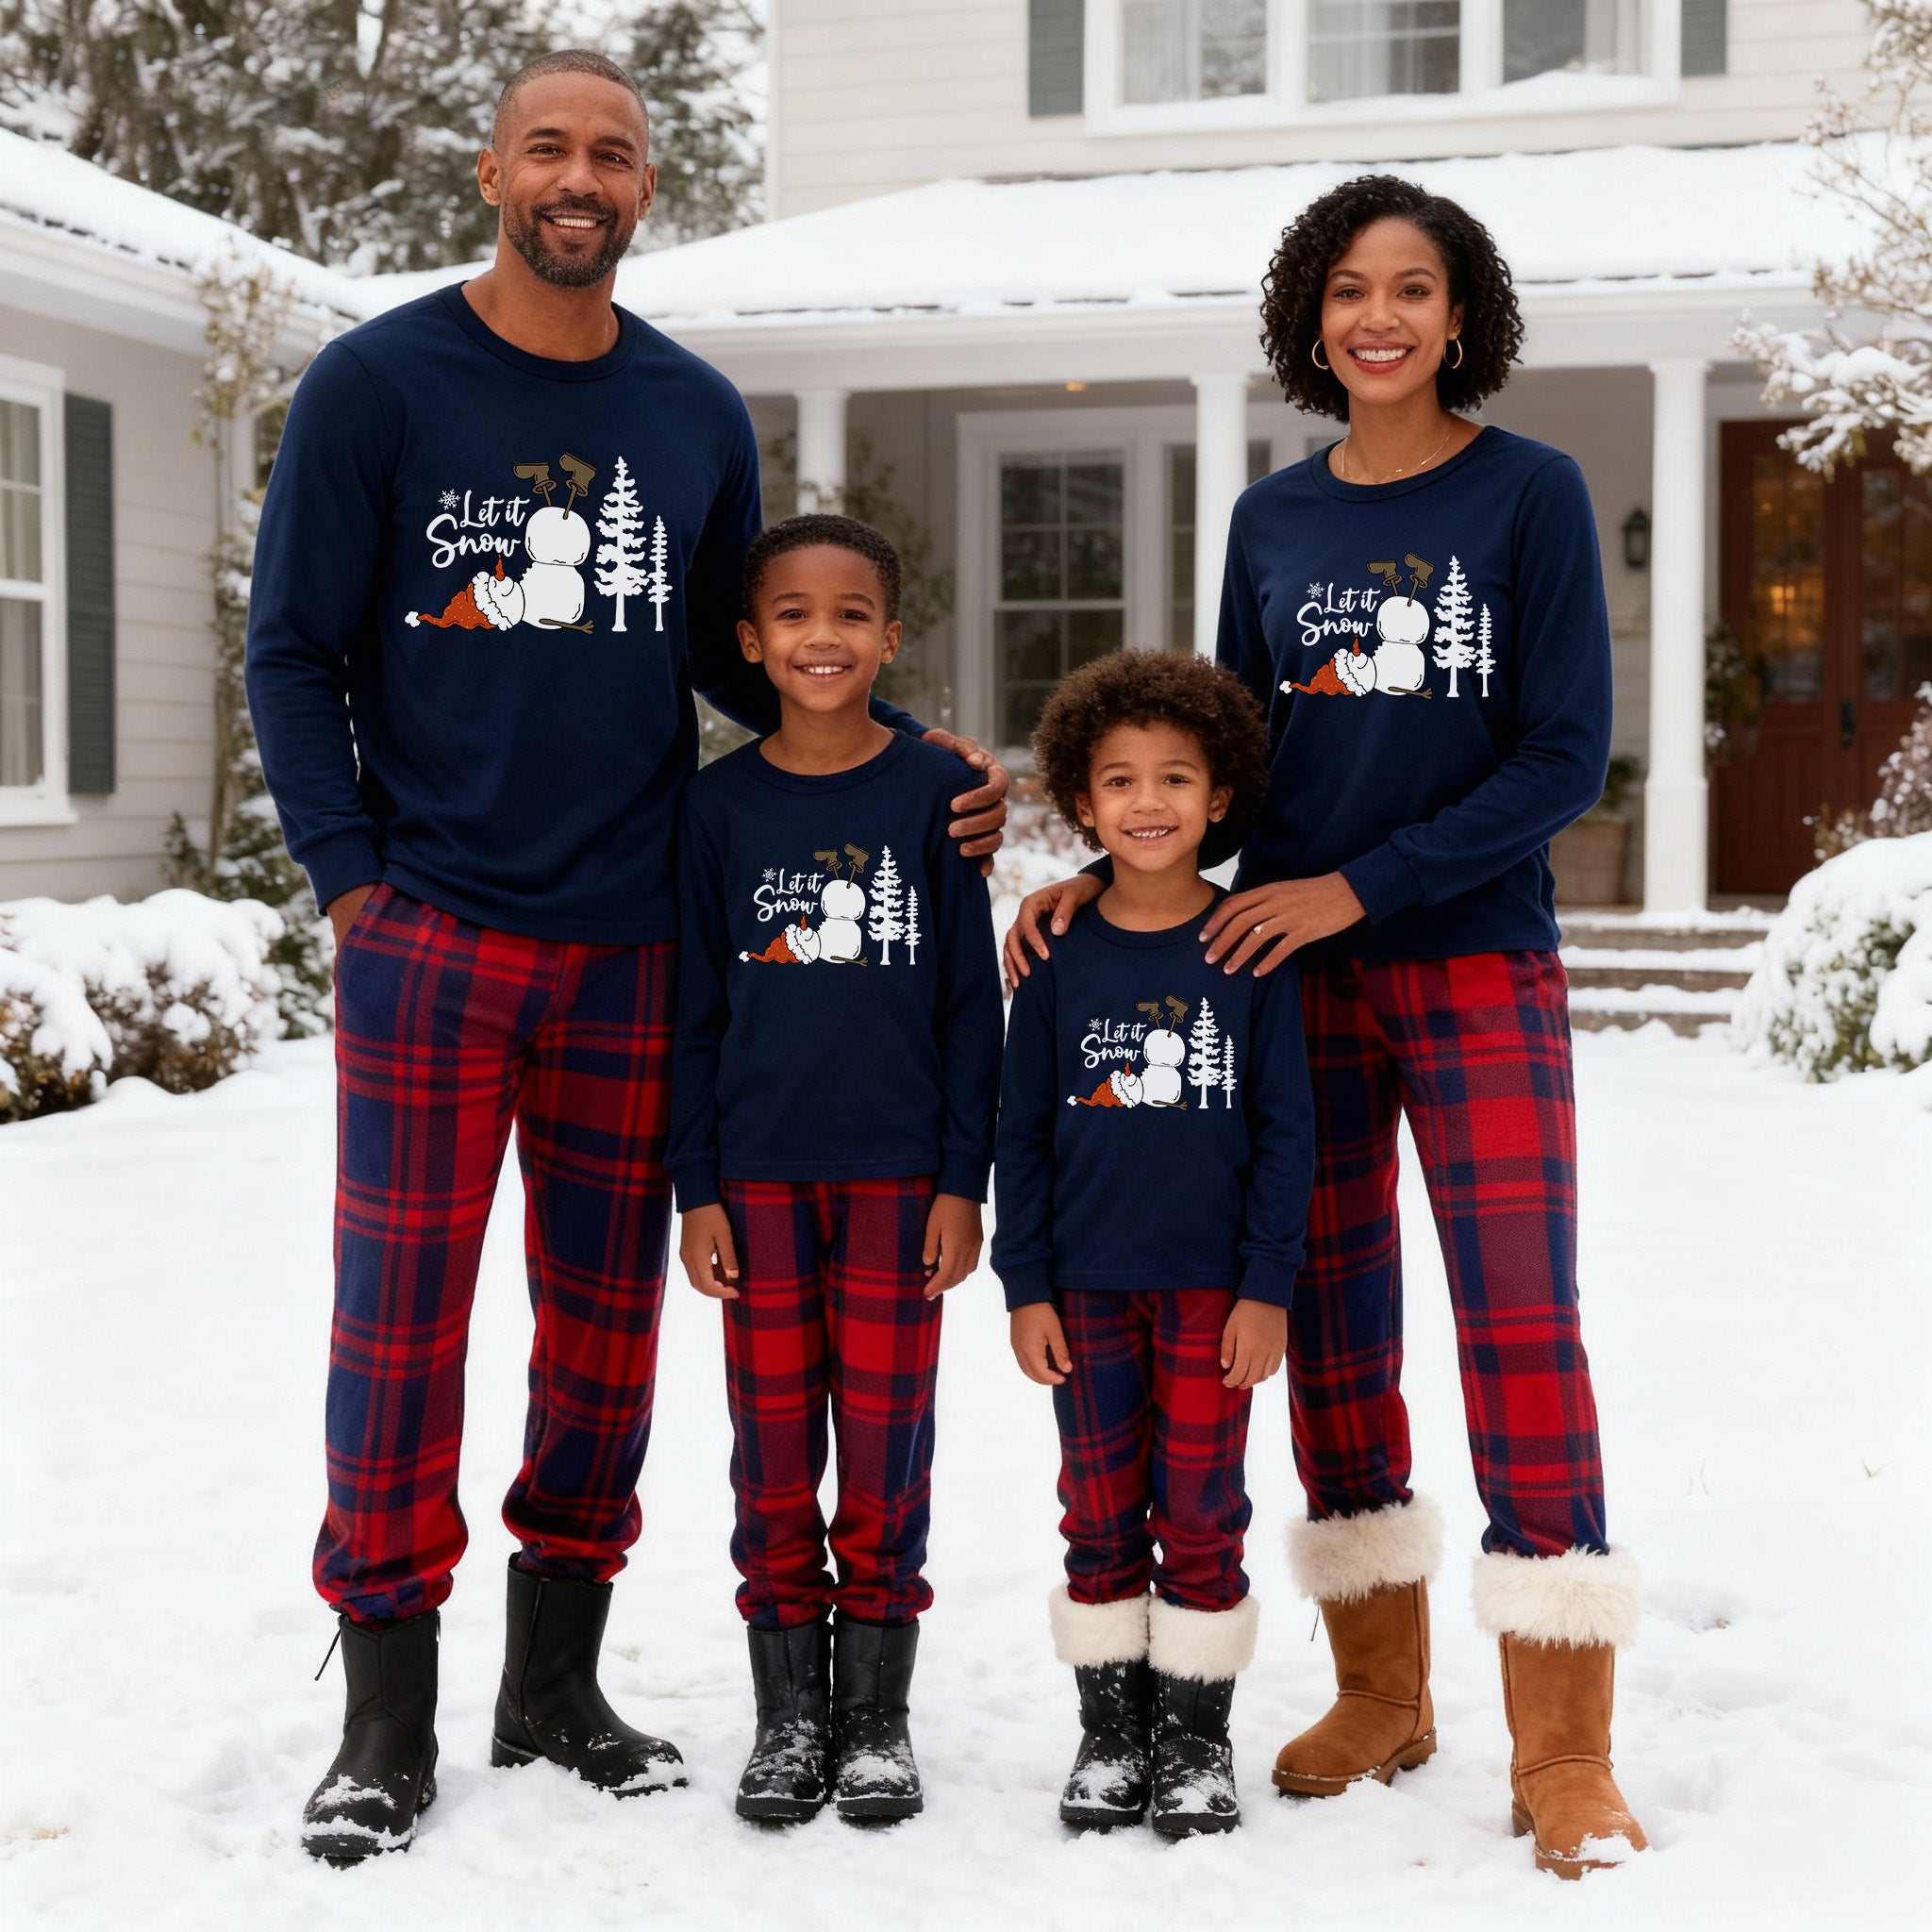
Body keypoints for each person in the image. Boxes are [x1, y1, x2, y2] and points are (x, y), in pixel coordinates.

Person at [245, 53, 1007, 1863]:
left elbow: (758, 660)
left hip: (635, 943)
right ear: (493, 168)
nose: (580, 176)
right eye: (550, 147)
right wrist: (355, 880)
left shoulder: (689, 414)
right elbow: (292, 651)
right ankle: (385, 1713)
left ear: (645, 188)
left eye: (615, 152)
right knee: (399, 1326)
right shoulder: (379, 384)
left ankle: (553, 1680)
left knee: (602, 1331)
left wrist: (912, 766)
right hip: (432, 934)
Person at [1005, 174, 1647, 1879]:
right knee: (1328, 1316)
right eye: (1347, 288)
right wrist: (1105, 881)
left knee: (1521, 1318)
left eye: (1412, 289)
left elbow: (1558, 755)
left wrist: (1361, 888)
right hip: (1283, 974)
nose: (1379, 316)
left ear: (1460, 316)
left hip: (1466, 956)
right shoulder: (1269, 523)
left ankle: (1563, 1746)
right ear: (1309, 316)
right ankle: (1383, 1691)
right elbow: (1229, 761)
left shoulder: (1527, 492)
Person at [670, 515, 1004, 1825]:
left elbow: (968, 1004)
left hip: (895, 1179)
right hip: (754, 1184)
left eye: (852, 613)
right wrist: (696, 1185)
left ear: (892, 637)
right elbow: (694, 1012)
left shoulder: (934, 794)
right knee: (767, 1455)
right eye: (795, 616)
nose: (824, 636)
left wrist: (959, 1179)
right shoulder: (715, 807)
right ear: (751, 644)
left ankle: (872, 1716)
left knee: (883, 1450)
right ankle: (787, 1717)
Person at [993, 652, 1314, 1840]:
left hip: (1209, 1292)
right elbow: (1016, 1131)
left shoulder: (1247, 950)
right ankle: (1108, 1731)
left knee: (1200, 1507)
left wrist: (1265, 1286)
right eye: (1118, 780)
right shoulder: (1057, 955)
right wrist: (1023, 1282)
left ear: (1218, 796)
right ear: (1081, 802)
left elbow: (1288, 1133)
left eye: (1174, 778)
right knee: (1095, 1505)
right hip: (1082, 1288)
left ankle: (1192, 1738)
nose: (1146, 802)